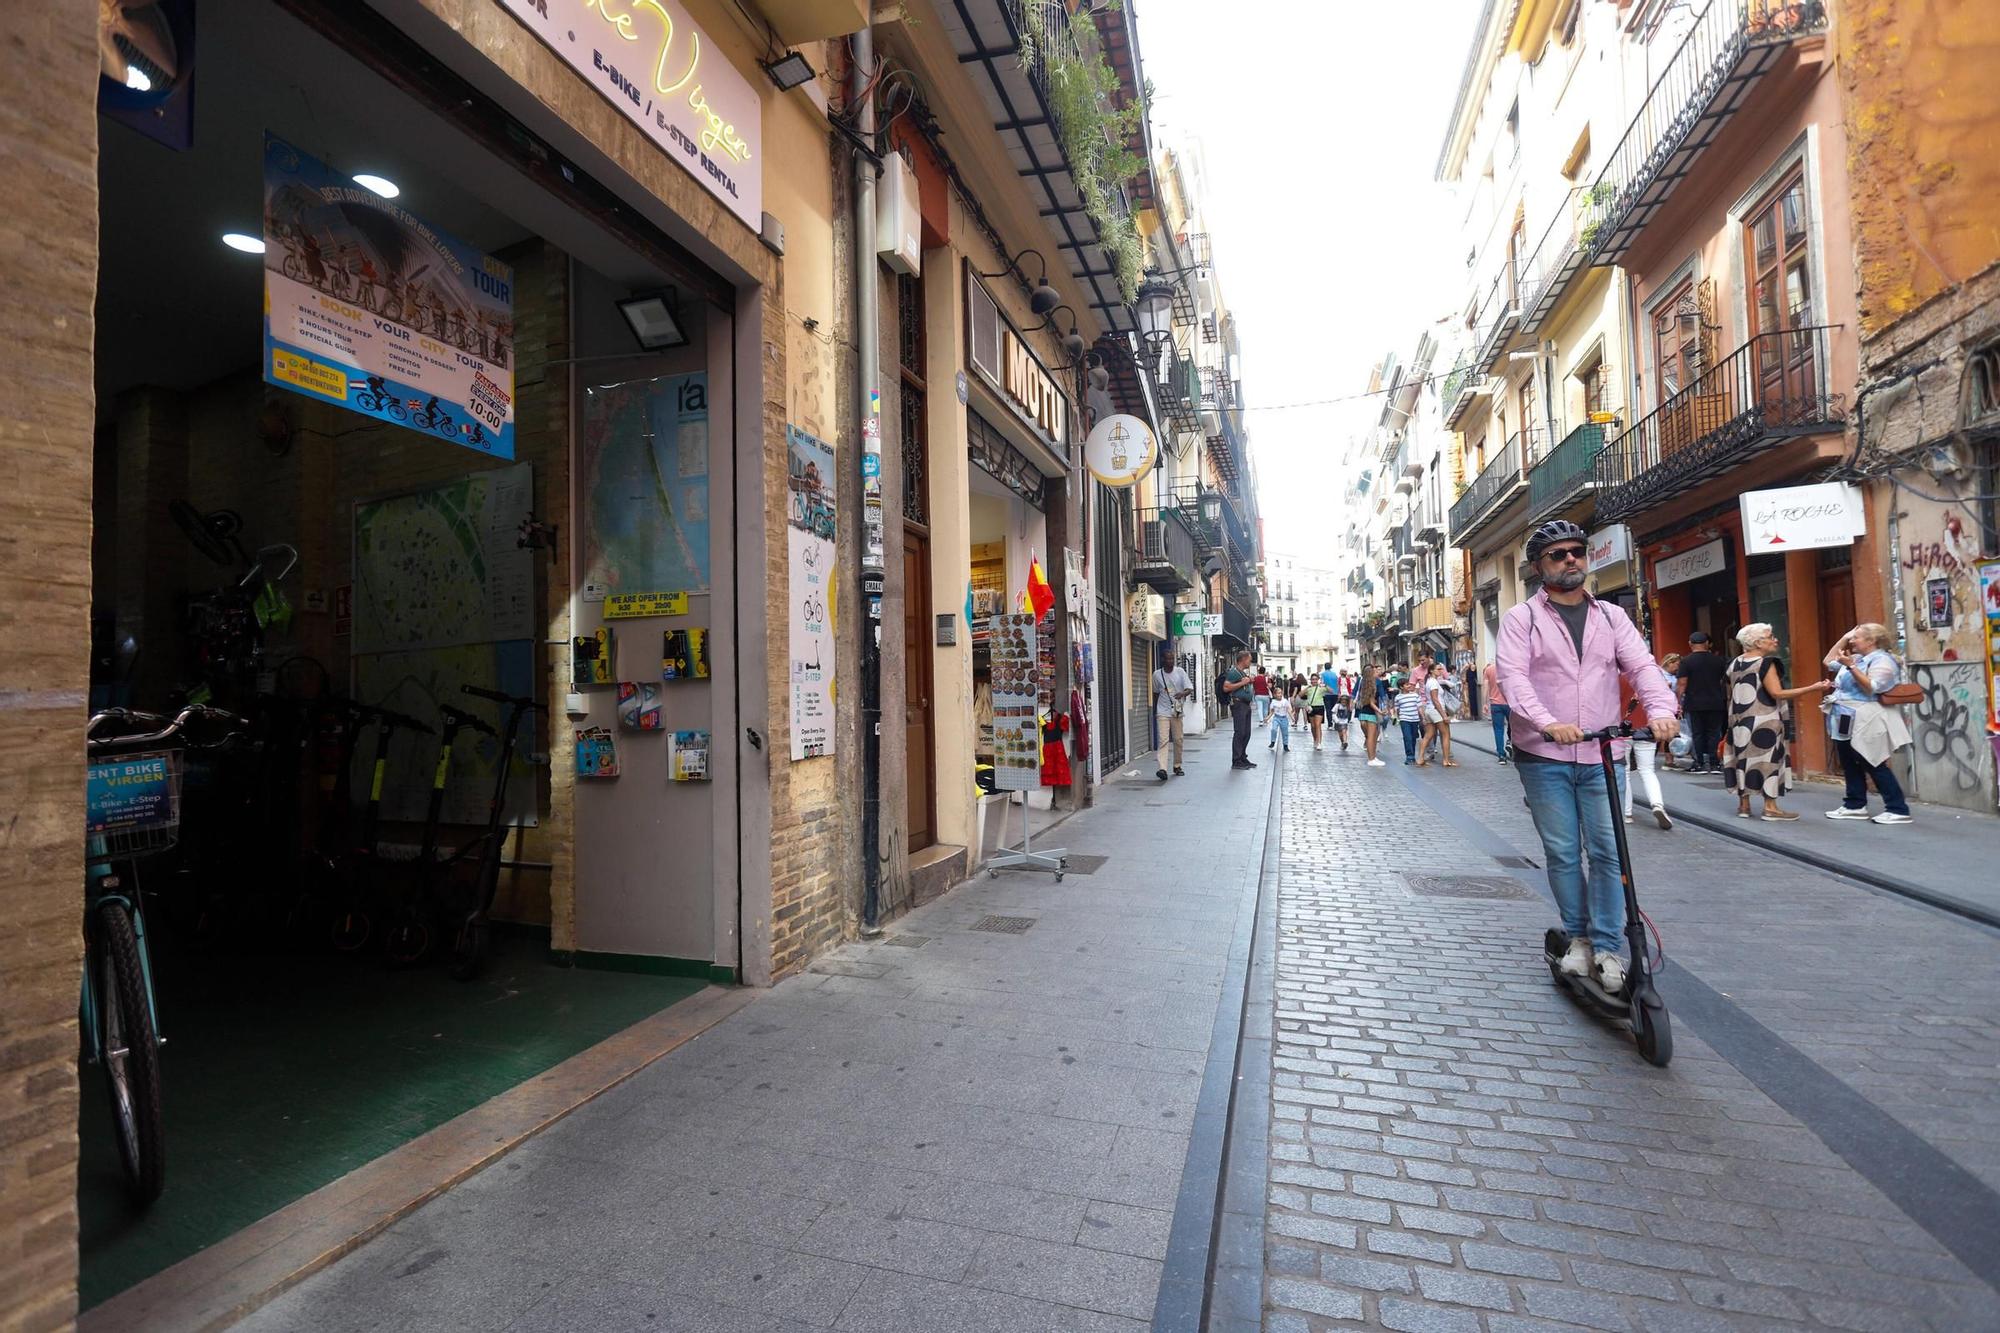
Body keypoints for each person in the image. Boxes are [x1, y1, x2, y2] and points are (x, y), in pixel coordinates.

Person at [1497, 519, 1678, 996]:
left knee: (1607, 849)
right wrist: (1545, 721)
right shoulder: (1523, 619)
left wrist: (1661, 710)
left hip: (1602, 753)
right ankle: (1577, 937)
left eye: (1577, 551)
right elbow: (1513, 678)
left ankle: (1606, 944)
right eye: (1559, 555)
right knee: (1562, 851)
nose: (1571, 559)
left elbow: (1641, 666)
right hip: (1544, 755)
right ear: (1539, 567)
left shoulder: (1612, 618)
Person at [1723, 623, 1830, 821]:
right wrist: (1813, 688)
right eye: (1770, 636)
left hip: (1739, 720)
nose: (1775, 639)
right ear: (1757, 643)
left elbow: (1731, 694)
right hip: (1765, 719)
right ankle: (1770, 807)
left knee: (1742, 760)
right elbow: (1777, 693)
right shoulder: (1765, 663)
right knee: (1769, 762)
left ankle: (1744, 805)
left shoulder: (1734, 663)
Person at [1822, 623, 1914, 824]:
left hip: (1866, 716)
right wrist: (1845, 637)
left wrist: (1851, 667)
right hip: (1845, 716)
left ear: (1871, 641)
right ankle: (1854, 804)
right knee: (1849, 762)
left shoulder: (1883, 661)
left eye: (1857, 638)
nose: (1852, 641)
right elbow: (1828, 661)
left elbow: (1872, 687)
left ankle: (1897, 808)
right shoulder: (1857, 658)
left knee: (1872, 760)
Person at [1622, 654, 1680, 829]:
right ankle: (1657, 804)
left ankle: (1627, 812)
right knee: (1647, 770)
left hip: (1622, 728)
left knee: (1623, 771)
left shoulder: (1618, 675)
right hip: (1648, 728)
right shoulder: (1653, 675)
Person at [1676, 631, 1729, 774]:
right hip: (1716, 701)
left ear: (1690, 644)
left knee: (1697, 733)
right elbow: (1724, 681)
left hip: (1694, 702)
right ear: (1707, 644)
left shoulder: (1686, 661)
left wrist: (1678, 701)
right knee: (1714, 732)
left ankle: (1699, 763)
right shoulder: (1718, 660)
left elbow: (1682, 683)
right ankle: (1715, 763)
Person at [1153, 649, 1194, 782]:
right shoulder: (1157, 674)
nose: (1170, 661)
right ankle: (1162, 769)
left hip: (1176, 711)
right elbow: (1155, 693)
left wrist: (1182, 694)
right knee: (1163, 740)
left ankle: (1177, 765)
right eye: (1168, 659)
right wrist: (1155, 710)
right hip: (1162, 711)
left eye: (1172, 659)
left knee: (1178, 739)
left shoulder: (1180, 672)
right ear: (1163, 660)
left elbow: (1189, 688)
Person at [1221, 649, 1258, 769]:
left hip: (1246, 704)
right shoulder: (1234, 672)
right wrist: (1243, 683)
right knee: (1240, 732)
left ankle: (1242, 757)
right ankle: (1236, 760)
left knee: (1246, 733)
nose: (1250, 662)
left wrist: (1248, 681)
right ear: (1243, 659)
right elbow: (1226, 688)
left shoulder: (1242, 672)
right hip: (1238, 704)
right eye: (1249, 660)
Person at [1422, 661, 1459, 767]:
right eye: (1438, 669)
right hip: (1436, 710)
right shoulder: (1433, 682)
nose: (1440, 671)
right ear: (1431, 671)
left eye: (1441, 669)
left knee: (1428, 735)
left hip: (1429, 710)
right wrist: (1444, 715)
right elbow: (1435, 699)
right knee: (1446, 734)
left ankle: (1420, 757)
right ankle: (1446, 760)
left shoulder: (1431, 681)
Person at [1355, 665, 1386, 766]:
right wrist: (1380, 711)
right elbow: (1372, 703)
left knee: (1369, 737)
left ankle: (1373, 757)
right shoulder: (1372, 686)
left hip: (1363, 712)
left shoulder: (1363, 684)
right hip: (1371, 714)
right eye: (1374, 671)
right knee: (1371, 738)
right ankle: (1371, 758)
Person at [1481, 658, 1510, 763]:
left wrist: (1484, 703)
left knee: (1498, 730)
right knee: (1514, 728)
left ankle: (1501, 755)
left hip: (1495, 704)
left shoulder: (1489, 670)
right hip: (1510, 703)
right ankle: (1510, 743)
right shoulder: (1509, 668)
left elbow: (1485, 687)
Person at [1394, 674, 1424, 764]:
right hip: (1404, 719)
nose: (1409, 686)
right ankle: (1409, 756)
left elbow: (1419, 707)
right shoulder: (1398, 697)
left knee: (1413, 737)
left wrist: (1423, 717)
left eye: (1409, 684)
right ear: (1401, 687)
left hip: (1415, 720)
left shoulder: (1415, 695)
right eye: (1407, 685)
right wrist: (1398, 718)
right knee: (1407, 737)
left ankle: (1413, 755)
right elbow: (1397, 709)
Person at [1268, 680, 1294, 752]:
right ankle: (1273, 742)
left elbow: (1288, 710)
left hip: (1284, 718)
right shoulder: (1273, 702)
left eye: (1280, 693)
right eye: (1278, 693)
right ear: (1275, 695)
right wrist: (1267, 718)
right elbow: (1272, 711)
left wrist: (1292, 717)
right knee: (1273, 729)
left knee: (1285, 732)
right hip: (1276, 718)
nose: (1279, 695)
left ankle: (1285, 745)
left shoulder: (1285, 701)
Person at [1303, 672, 1326, 750]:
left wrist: (1325, 685)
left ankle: (1319, 743)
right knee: (1313, 726)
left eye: (1316, 679)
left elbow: (1331, 691)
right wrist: (1307, 687)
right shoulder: (1308, 688)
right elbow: (1300, 695)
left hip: (1319, 707)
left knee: (1318, 725)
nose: (1314, 681)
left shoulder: (1321, 688)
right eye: (1313, 679)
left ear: (1318, 680)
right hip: (1310, 708)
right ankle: (1315, 740)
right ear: (1310, 680)